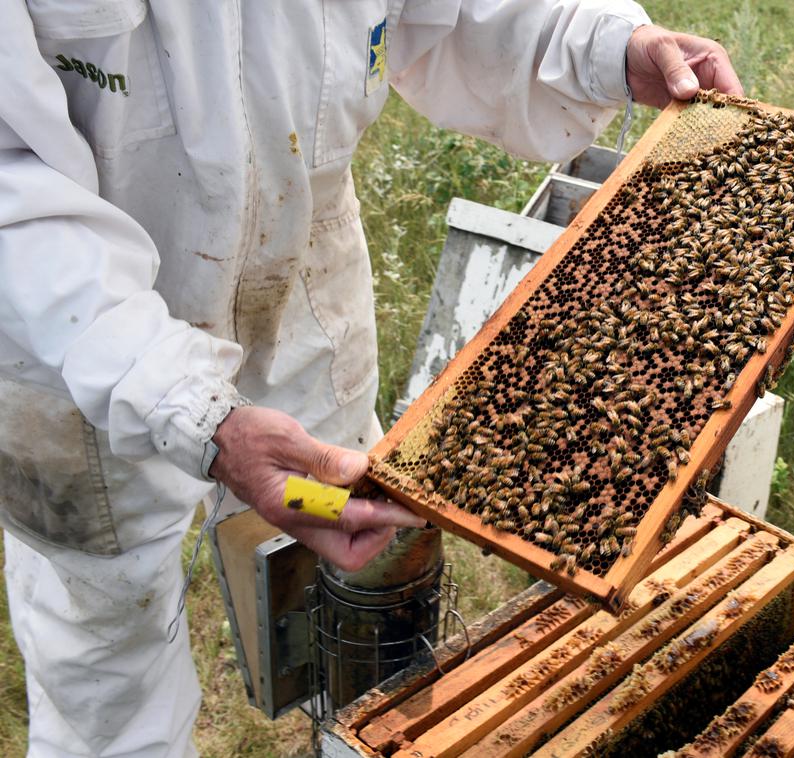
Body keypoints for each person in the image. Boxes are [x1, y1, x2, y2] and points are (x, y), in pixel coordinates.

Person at [0, 1, 742, 756]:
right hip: (68, 330)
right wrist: (191, 410)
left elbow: (461, 13)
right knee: (106, 659)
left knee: (367, 575)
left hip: (303, 286)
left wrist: (603, 47)